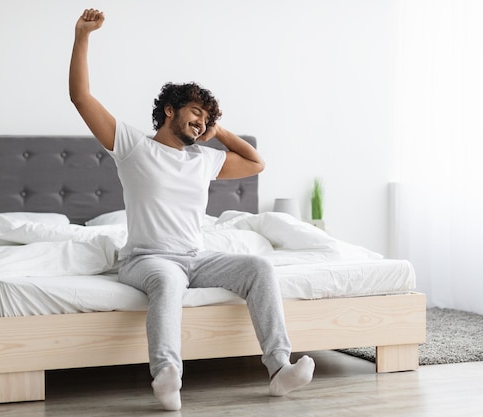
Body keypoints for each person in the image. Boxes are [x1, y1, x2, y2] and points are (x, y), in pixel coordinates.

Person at [69, 8, 315, 411]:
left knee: (259, 267)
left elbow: (256, 163)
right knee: (167, 284)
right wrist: (83, 36)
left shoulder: (203, 159)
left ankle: (278, 368)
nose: (202, 123)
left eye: (207, 118)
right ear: (170, 110)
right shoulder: (133, 147)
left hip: (196, 258)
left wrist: (219, 130)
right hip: (147, 259)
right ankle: (167, 375)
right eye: (196, 113)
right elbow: (81, 97)